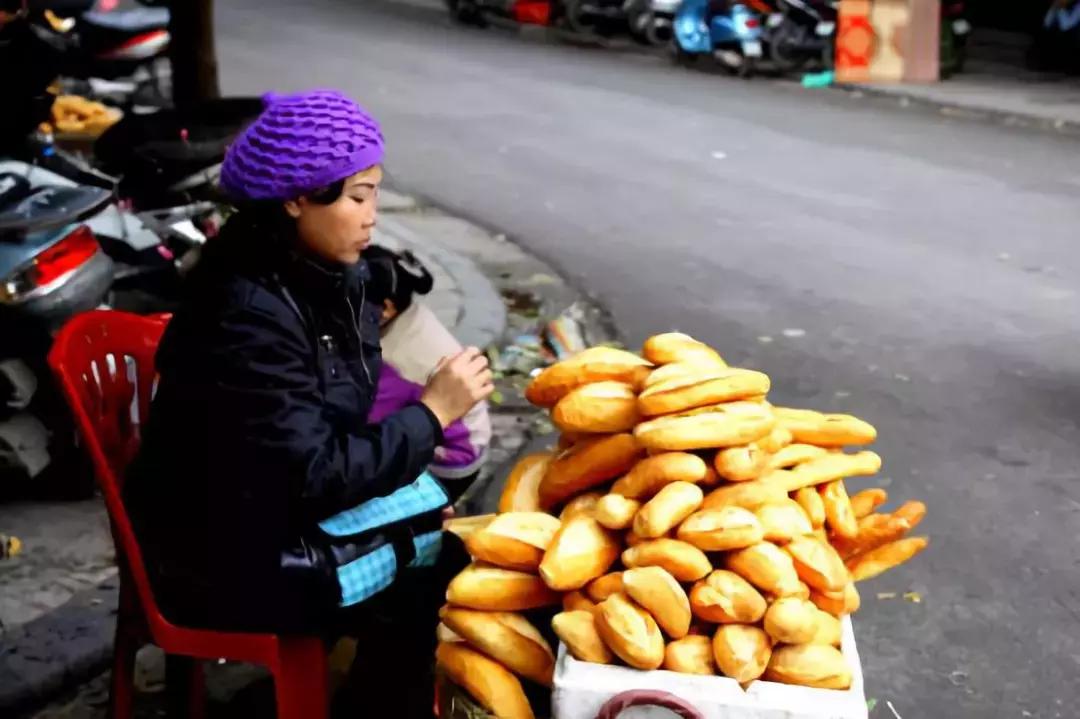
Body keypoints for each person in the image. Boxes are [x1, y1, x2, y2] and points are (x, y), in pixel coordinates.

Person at [122, 90, 491, 711]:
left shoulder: (307, 273)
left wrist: (409, 500)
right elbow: (313, 473)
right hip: (222, 557)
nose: (373, 215)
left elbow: (309, 441)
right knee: (452, 569)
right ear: (295, 199)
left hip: (260, 510)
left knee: (448, 528)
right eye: (356, 197)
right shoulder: (246, 316)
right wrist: (431, 416)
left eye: (375, 192)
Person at [363, 244, 493, 502]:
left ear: (386, 308)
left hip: (449, 462)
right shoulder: (408, 315)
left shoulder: (396, 360)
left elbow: (368, 427)